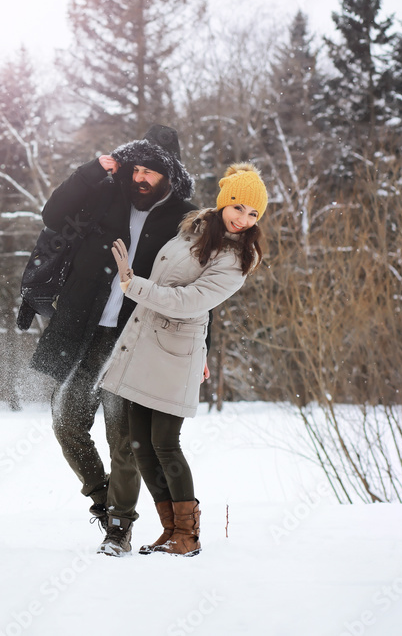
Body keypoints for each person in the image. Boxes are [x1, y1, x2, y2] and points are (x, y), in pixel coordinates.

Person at [29, 125, 197, 554]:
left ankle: (119, 528)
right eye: (136, 168)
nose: (140, 178)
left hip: (136, 340)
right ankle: (103, 500)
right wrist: (91, 171)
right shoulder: (105, 193)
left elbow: (194, 287)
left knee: (124, 439)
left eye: (151, 172)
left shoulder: (186, 220)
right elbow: (53, 215)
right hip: (84, 332)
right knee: (66, 423)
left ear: (170, 176)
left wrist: (204, 346)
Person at [100, 163, 268, 557]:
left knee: (165, 443)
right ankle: (169, 531)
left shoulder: (237, 258)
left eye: (253, 214)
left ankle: (188, 535)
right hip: (147, 342)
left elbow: (192, 302)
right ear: (224, 202)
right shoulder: (191, 230)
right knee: (141, 445)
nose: (244, 219)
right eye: (239, 208)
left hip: (176, 351)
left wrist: (133, 285)